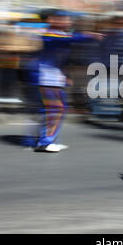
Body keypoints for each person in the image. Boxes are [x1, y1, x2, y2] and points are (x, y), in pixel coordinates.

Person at [24, 9, 102, 153]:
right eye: (63, 19)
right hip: (46, 78)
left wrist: (67, 76)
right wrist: (88, 35)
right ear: (51, 20)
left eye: (67, 19)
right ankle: (45, 142)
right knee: (54, 109)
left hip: (55, 79)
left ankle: (50, 139)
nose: (67, 21)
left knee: (58, 109)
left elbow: (64, 58)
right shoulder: (49, 35)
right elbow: (67, 40)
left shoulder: (63, 34)